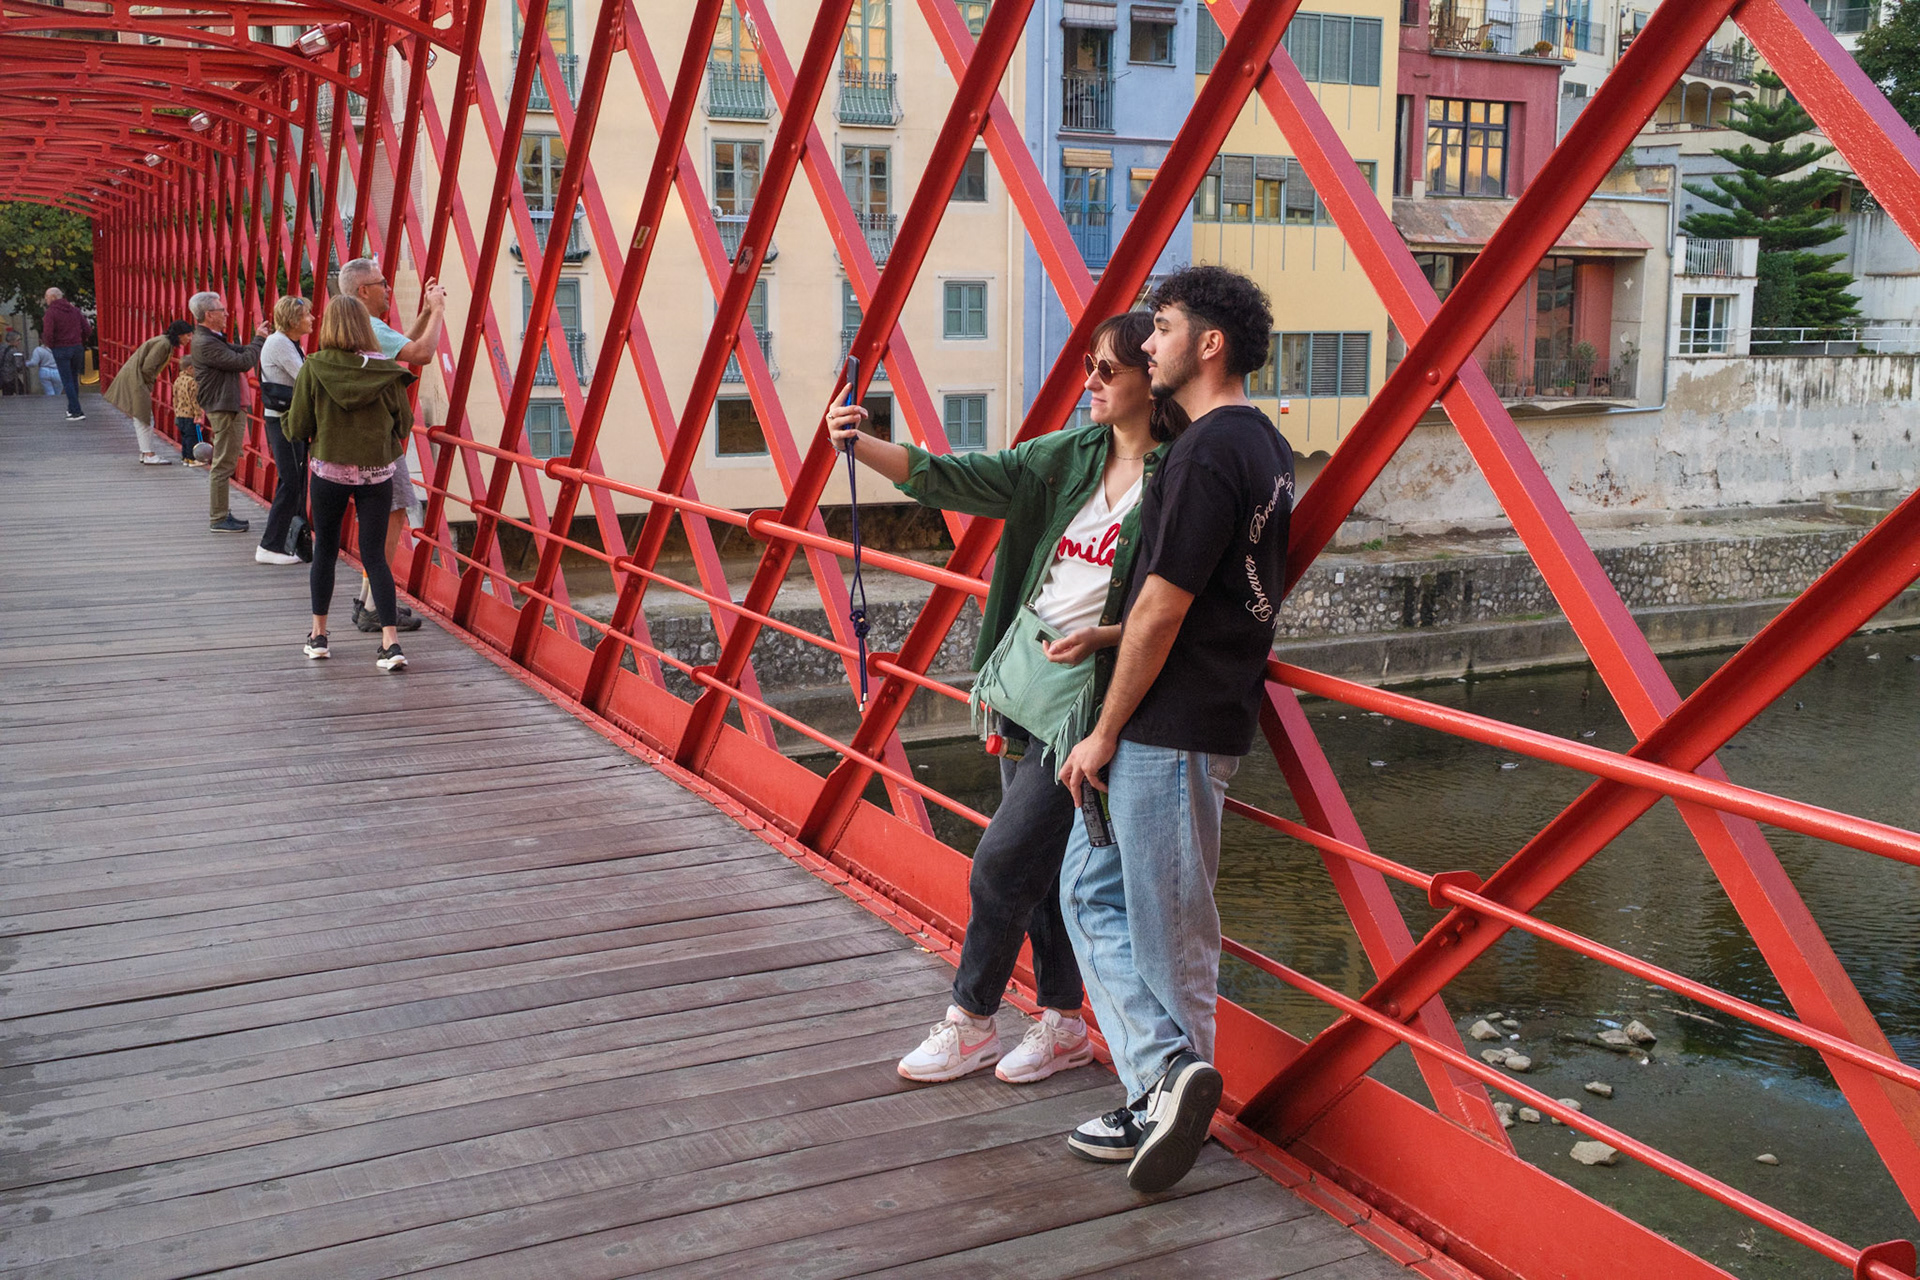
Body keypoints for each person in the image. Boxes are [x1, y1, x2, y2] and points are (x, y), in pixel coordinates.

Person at [825, 312, 1184, 1092]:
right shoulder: (1071, 454)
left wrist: (1108, 637)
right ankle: (1061, 1022)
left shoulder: (1179, 476)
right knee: (1041, 871)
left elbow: (1180, 602)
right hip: (1023, 678)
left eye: (1107, 371)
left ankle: (972, 1019)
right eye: (1089, 366)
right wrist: (860, 443)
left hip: (1089, 702)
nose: (1089, 382)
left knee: (998, 865)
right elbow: (964, 476)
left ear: (1151, 381)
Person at [1056, 265, 1294, 1195]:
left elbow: (1162, 605)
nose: (1144, 345)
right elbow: (1218, 595)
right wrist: (1116, 632)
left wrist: (1106, 729)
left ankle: (1162, 1078)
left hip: (1168, 721)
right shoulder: (1266, 447)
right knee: (1149, 913)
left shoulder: (1199, 454)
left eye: (1160, 330)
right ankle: (1162, 1102)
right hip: (1212, 709)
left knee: (1134, 914)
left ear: (1209, 345)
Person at [281, 295, 415, 672]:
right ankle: (390, 643)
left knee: (325, 549)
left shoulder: (315, 367)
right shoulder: (386, 370)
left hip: (329, 473)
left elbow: (299, 426)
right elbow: (402, 424)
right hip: (377, 473)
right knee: (375, 557)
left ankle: (318, 636)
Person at [335, 257, 447, 633]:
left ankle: (369, 599)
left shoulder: (359, 327)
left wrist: (425, 312)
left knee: (376, 522)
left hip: (350, 441)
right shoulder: (370, 327)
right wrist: (439, 311)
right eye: (382, 283)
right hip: (380, 439)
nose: (388, 288)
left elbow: (404, 344)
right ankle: (373, 606)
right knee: (392, 516)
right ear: (363, 291)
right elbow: (422, 354)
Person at [188, 290, 271, 533]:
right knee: (223, 463)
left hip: (227, 405)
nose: (227, 313)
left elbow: (239, 352)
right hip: (224, 407)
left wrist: (255, 342)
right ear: (208, 315)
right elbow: (243, 362)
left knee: (224, 461)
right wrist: (259, 339)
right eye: (221, 310)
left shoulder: (211, 338)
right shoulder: (206, 343)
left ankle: (222, 513)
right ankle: (218, 518)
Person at [256, 296, 313, 565]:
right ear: (293, 320)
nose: (312, 319)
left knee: (294, 481)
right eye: (307, 315)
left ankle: (290, 543)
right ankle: (269, 546)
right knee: (291, 482)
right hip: (283, 422)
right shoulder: (279, 343)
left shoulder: (287, 342)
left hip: (286, 420)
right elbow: (305, 378)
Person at [102, 319, 194, 466]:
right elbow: (148, 368)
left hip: (135, 378)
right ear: (179, 335)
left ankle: (145, 452)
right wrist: (148, 386)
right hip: (138, 380)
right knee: (144, 417)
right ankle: (148, 454)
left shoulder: (164, 342)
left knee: (142, 417)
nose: (190, 339)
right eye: (188, 335)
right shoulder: (164, 344)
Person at [42, 288, 90, 420]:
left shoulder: (51, 313)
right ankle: (71, 407)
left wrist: (51, 345)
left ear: (52, 297)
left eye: (46, 297)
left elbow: (48, 333)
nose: (45, 299)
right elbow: (87, 329)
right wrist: (80, 341)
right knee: (73, 378)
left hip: (61, 348)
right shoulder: (74, 310)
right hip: (76, 347)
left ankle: (76, 411)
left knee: (67, 380)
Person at [173, 365, 206, 464]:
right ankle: (192, 459)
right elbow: (194, 400)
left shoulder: (177, 380)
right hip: (189, 414)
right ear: (190, 368)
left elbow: (175, 398)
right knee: (191, 437)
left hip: (179, 413)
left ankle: (185, 457)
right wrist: (198, 414)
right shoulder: (192, 382)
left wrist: (176, 411)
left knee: (184, 437)